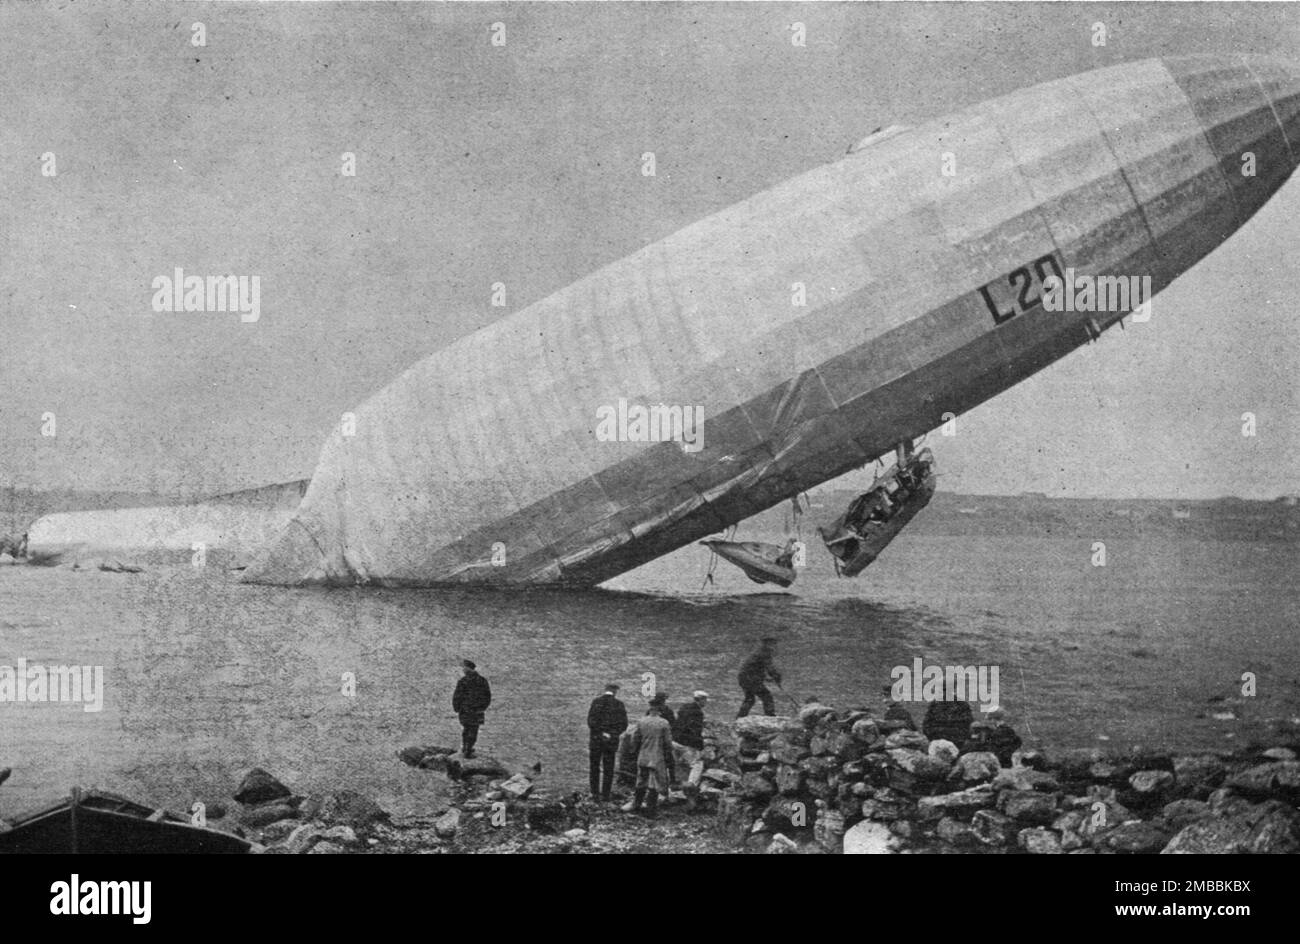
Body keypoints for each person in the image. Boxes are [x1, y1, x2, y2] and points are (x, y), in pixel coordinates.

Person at [621, 704, 674, 818]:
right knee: (654, 784)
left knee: (641, 781)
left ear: (650, 710)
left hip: (643, 756)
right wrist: (668, 755)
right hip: (656, 757)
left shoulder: (641, 721)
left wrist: (634, 751)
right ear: (659, 711)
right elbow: (668, 743)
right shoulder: (664, 723)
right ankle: (651, 811)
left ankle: (636, 804)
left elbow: (635, 739)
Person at [586, 683, 628, 801]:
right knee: (608, 768)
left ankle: (594, 793)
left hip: (596, 740)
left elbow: (591, 722)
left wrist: (601, 732)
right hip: (611, 741)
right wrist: (611, 734)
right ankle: (606, 794)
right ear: (615, 691)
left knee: (594, 767)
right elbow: (623, 724)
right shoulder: (619, 704)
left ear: (605, 690)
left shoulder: (596, 702)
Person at [451, 659, 491, 758]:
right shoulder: (482, 680)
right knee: (473, 729)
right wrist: (482, 707)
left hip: (465, 709)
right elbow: (487, 696)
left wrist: (457, 708)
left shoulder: (463, 681)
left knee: (466, 729)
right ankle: (468, 747)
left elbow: (457, 696)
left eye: (464, 667)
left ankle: (466, 748)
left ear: (468, 668)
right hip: (477, 710)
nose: (463, 669)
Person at [737, 637, 782, 718]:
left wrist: (767, 678)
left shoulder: (758, 652)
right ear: (768, 644)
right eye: (773, 644)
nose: (775, 646)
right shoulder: (765, 653)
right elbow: (770, 668)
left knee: (750, 699)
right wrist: (776, 677)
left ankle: (740, 717)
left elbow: (755, 668)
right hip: (751, 679)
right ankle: (770, 716)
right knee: (767, 696)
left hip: (744, 678)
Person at [922, 679, 973, 747]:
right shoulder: (935, 704)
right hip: (937, 741)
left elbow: (966, 727)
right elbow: (926, 726)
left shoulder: (962, 705)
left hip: (956, 741)